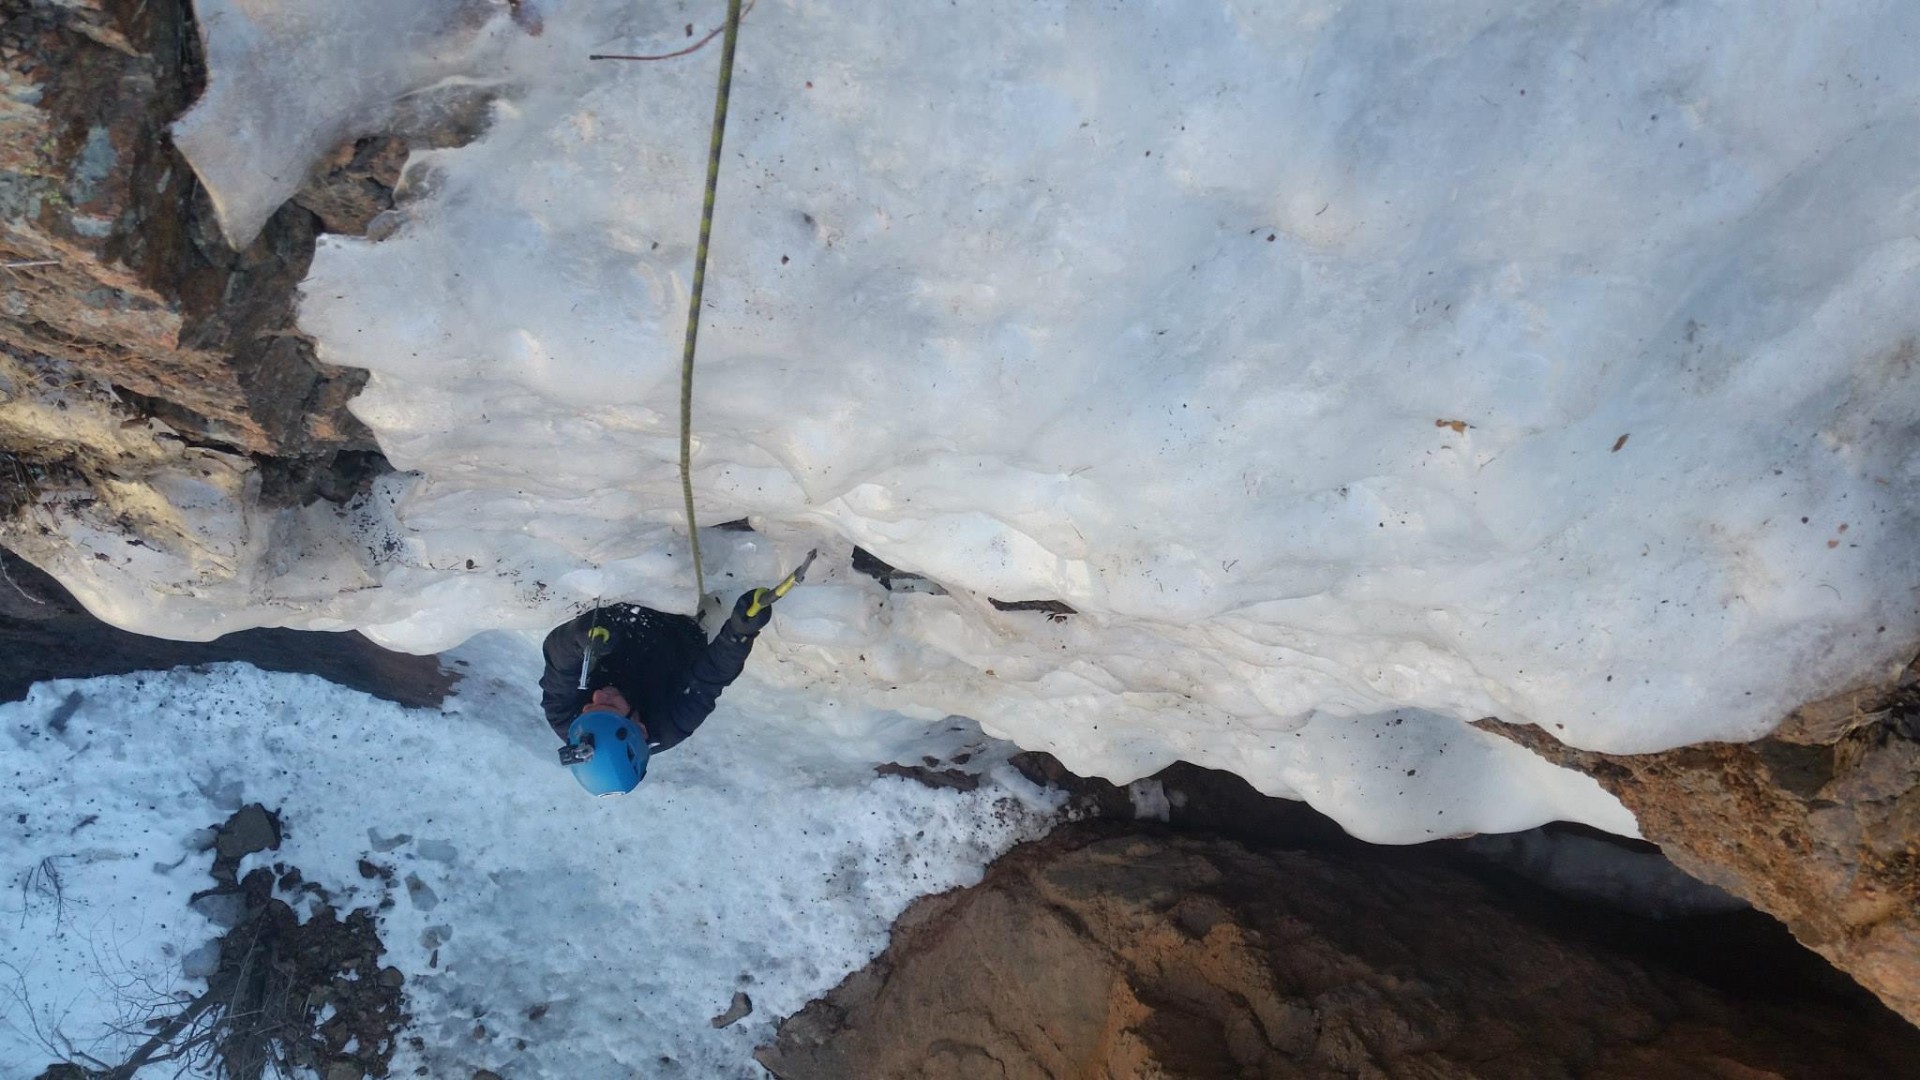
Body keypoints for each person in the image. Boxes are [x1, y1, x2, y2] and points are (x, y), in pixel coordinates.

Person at [539, 593, 771, 796]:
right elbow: (711, 675)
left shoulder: (565, 718)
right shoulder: (672, 724)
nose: (599, 695)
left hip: (622, 606)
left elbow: (558, 660)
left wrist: (581, 638)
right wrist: (739, 634)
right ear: (640, 728)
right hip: (680, 624)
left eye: (588, 708)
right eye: (610, 706)